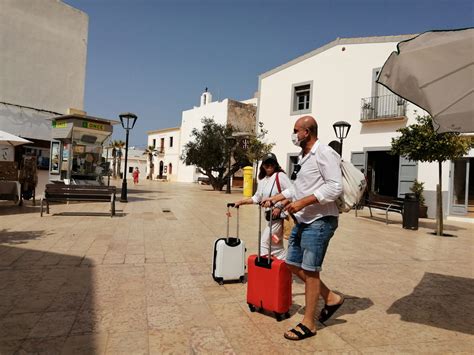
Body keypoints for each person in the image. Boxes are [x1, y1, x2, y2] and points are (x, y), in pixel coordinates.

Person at [262, 115, 344, 341]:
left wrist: (303, 202)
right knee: (291, 264)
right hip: (302, 220)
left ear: (307, 132)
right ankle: (331, 298)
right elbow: (298, 187)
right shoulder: (303, 156)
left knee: (310, 270)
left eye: (296, 130)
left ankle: (309, 323)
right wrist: (278, 198)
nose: (294, 134)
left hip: (320, 220)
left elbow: (334, 187)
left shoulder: (325, 153)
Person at [232, 153, 292, 260]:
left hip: (278, 218)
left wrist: (279, 206)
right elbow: (256, 198)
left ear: (275, 164)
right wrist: (241, 202)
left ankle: (267, 268)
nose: (269, 166)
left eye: (272, 164)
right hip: (269, 217)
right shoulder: (263, 180)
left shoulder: (280, 176)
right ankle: (286, 265)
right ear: (262, 166)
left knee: (264, 243)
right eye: (266, 164)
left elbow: (292, 193)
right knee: (275, 246)